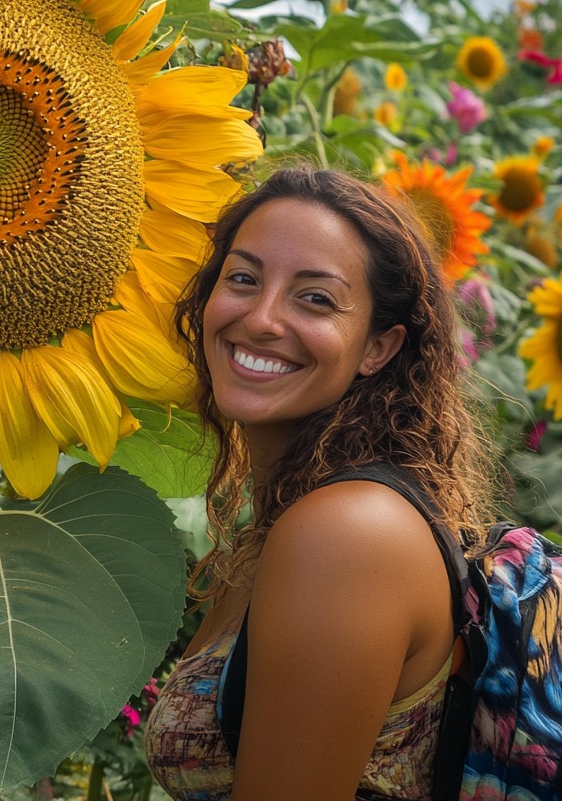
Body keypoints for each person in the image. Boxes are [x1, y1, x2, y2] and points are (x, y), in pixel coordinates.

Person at [144, 165, 494, 801]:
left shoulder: (345, 534)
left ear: (377, 349)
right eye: (243, 279)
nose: (261, 319)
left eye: (315, 299)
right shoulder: (295, 514)